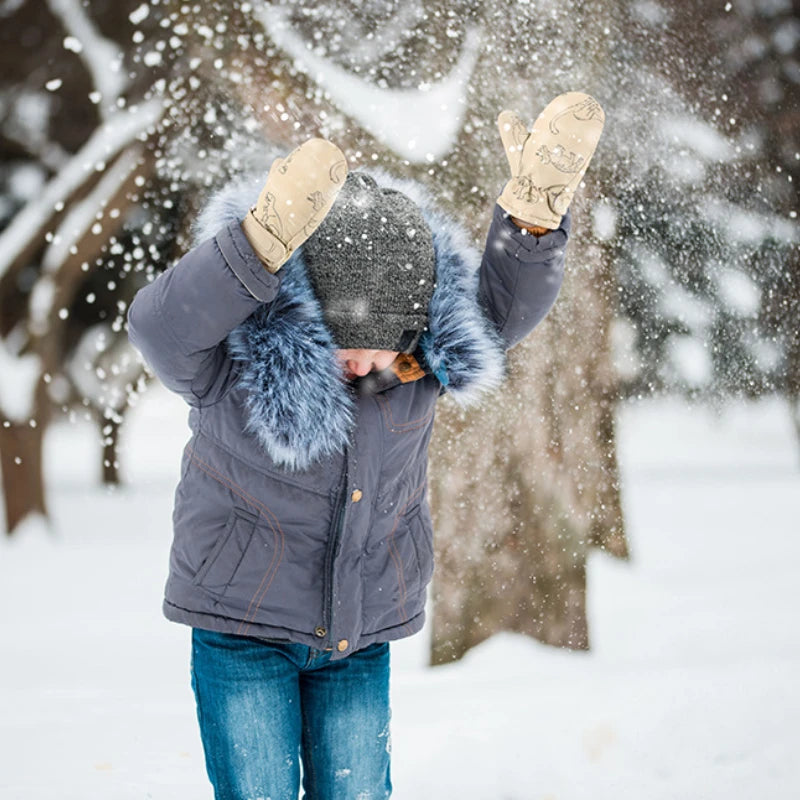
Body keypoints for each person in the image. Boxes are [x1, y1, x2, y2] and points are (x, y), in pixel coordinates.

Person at [126, 92, 604, 800]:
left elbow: (499, 313)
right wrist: (253, 250)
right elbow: (157, 326)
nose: (363, 363)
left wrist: (532, 225)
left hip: (358, 633)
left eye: (382, 342)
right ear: (309, 310)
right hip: (242, 630)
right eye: (346, 341)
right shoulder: (234, 356)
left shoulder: (415, 365)